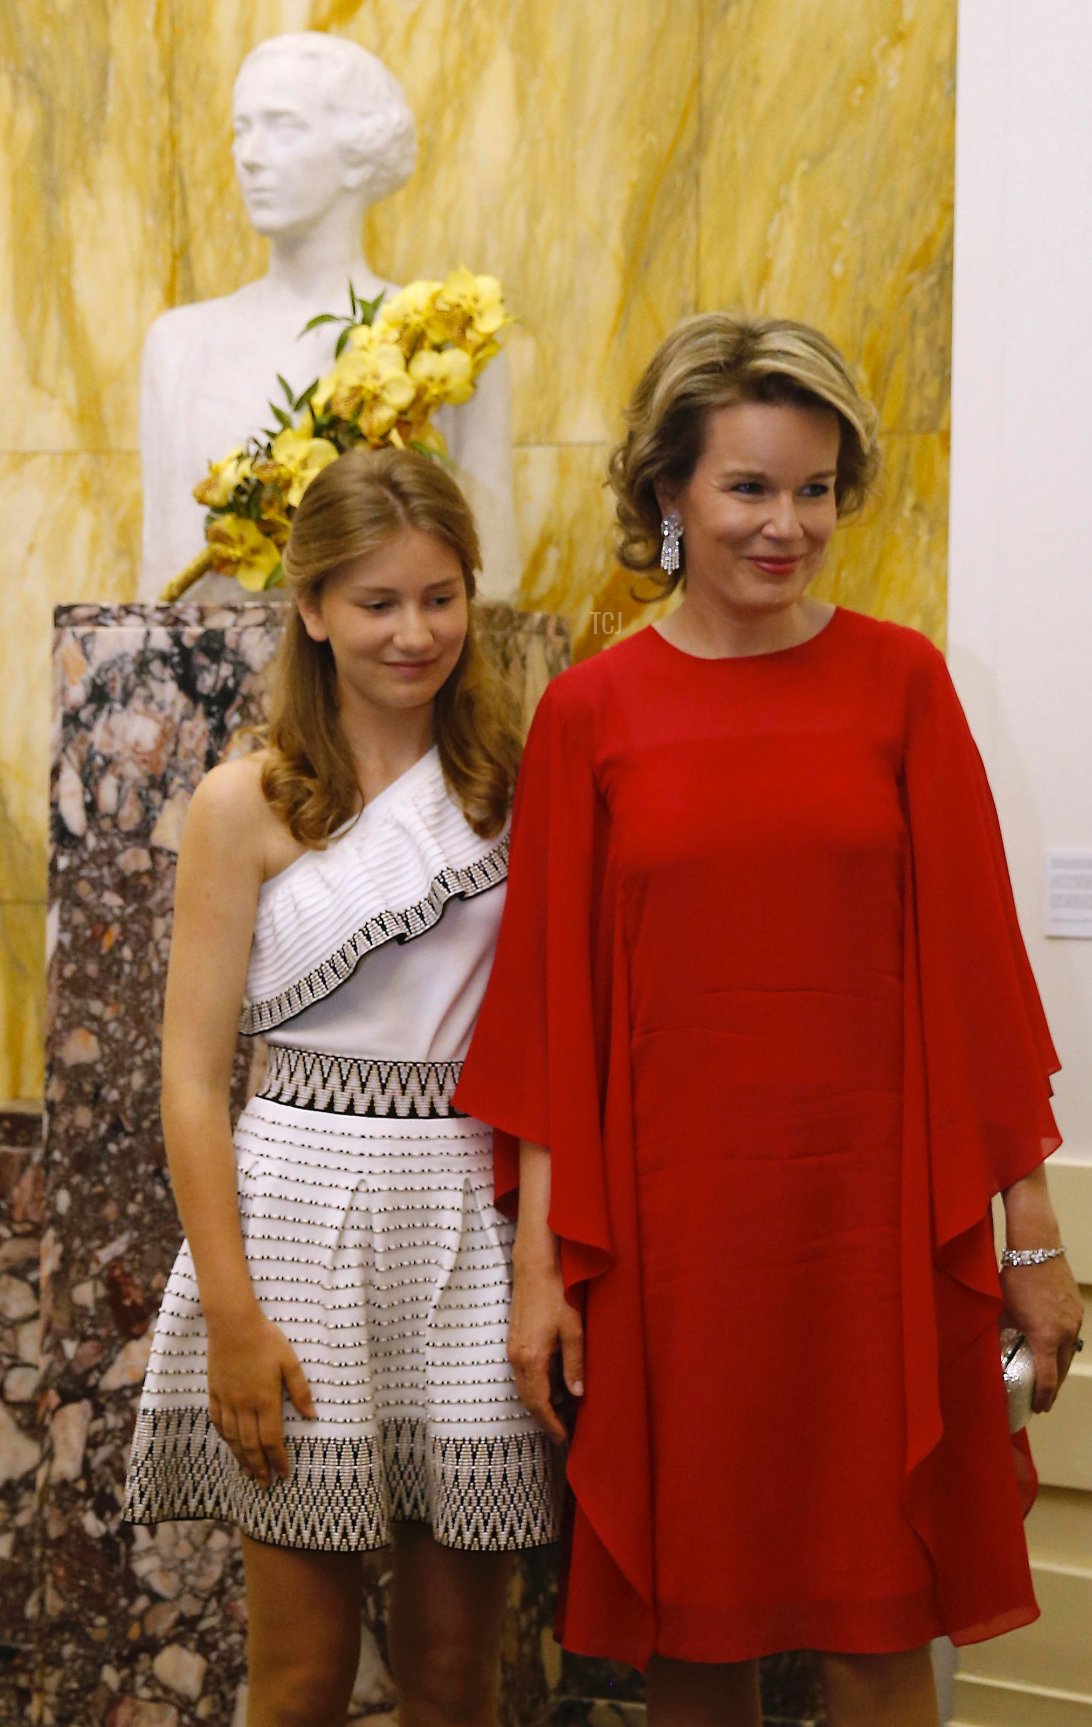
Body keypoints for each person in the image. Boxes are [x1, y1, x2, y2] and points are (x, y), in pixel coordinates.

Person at [454, 314, 1084, 1727]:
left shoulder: (903, 682)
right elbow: (554, 1017)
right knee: (699, 1641)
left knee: (877, 1635)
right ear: (669, 495)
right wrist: (542, 1272)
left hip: (875, 1236)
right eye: (748, 488)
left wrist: (1028, 1236)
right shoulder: (589, 713)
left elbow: (981, 984)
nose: (786, 523)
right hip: (679, 1244)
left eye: (813, 487)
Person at [124, 448, 555, 1727]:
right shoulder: (242, 802)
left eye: (440, 595)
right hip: (296, 1222)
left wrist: (544, 1267)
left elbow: (556, 1052)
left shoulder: (515, 788)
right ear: (310, 607)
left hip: (467, 1226)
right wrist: (237, 1321)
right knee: (301, 1679)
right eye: (377, 601)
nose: (414, 631)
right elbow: (193, 1083)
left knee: (452, 1676)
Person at [139, 32, 519, 601]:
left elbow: (491, 584)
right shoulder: (177, 344)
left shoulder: (443, 347)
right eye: (242, 129)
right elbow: (159, 591)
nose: (250, 154)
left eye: (284, 128)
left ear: (357, 154)